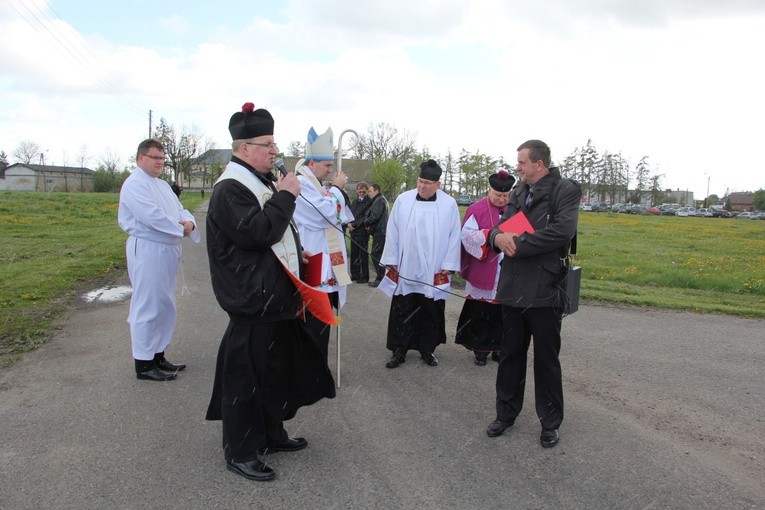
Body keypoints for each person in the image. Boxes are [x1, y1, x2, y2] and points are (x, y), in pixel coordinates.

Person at [205, 103, 335, 482]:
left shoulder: (258, 180)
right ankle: (241, 449)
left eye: (274, 144)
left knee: (274, 373)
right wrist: (287, 196)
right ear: (244, 149)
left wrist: (299, 253)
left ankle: (270, 433)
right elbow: (258, 232)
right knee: (245, 379)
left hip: (274, 299)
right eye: (268, 144)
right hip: (252, 301)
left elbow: (274, 237)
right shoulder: (230, 188)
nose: (275, 151)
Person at [485, 140, 581, 449]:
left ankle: (550, 422)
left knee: (546, 360)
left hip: (544, 289)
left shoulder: (564, 190)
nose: (517, 167)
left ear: (539, 164)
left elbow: (562, 232)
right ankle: (506, 414)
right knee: (510, 355)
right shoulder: (517, 192)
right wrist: (497, 237)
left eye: (522, 162)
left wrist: (518, 245)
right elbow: (499, 227)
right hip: (513, 288)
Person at [118, 139, 200, 381]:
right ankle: (143, 363)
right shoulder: (134, 185)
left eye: (162, 159)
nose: (159, 162)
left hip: (167, 249)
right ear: (140, 158)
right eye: (154, 157)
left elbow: (180, 208)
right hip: (148, 248)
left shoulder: (162, 185)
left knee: (165, 304)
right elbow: (151, 217)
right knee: (147, 304)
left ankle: (157, 354)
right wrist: (180, 228)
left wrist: (189, 222)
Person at [376, 160, 461, 368]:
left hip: (434, 267)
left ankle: (427, 349)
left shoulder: (449, 204)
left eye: (428, 183)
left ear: (438, 185)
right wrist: (392, 260)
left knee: (430, 310)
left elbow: (454, 236)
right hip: (407, 266)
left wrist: (449, 264)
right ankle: (400, 349)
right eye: (420, 181)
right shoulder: (403, 200)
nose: (423, 186)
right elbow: (393, 232)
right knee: (404, 308)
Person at [292, 127, 353, 361]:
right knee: (312, 320)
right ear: (312, 163)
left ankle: (317, 367)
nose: (330, 171)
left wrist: (333, 192)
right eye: (327, 166)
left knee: (322, 322)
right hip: (314, 259)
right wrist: (337, 189)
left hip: (328, 261)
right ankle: (309, 371)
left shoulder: (317, 185)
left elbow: (343, 216)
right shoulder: (301, 184)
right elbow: (323, 214)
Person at [455, 170, 515, 365]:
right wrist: (488, 235)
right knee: (481, 311)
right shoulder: (476, 209)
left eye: (505, 196)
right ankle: (480, 349)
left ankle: (499, 348)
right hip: (484, 265)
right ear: (489, 191)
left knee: (503, 314)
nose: (501, 199)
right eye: (497, 195)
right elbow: (466, 237)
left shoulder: (515, 209)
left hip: (507, 268)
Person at [363, 183, 389, 287]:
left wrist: (365, 222)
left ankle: (380, 278)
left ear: (376, 191)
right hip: (380, 231)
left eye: (370, 191)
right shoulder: (379, 200)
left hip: (380, 232)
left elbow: (375, 217)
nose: (368, 193)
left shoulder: (380, 200)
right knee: (378, 254)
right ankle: (381, 277)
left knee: (376, 254)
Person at [347, 182, 372, 283]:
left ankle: (364, 276)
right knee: (354, 253)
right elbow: (350, 214)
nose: (361, 193)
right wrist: (348, 223)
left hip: (362, 231)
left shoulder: (369, 202)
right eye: (359, 191)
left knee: (363, 254)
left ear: (366, 191)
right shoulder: (355, 201)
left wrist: (355, 225)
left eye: (363, 192)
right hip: (353, 232)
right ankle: (355, 274)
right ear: (357, 191)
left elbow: (366, 217)